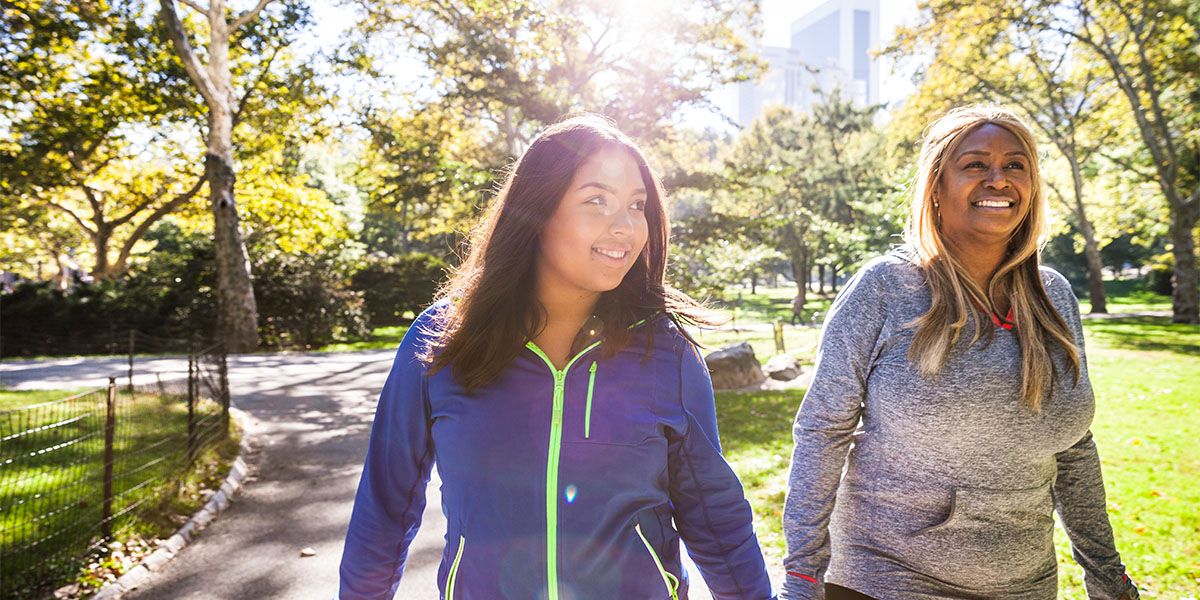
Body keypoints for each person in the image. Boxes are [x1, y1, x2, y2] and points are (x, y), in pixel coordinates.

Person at [338, 114, 775, 600]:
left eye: (637, 205)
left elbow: (715, 514)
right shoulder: (441, 341)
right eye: (596, 200)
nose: (627, 226)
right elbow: (384, 508)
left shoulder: (666, 351)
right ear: (537, 211)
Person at [780, 106, 1139, 600]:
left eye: (1016, 165)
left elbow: (1074, 448)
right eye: (975, 165)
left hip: (1024, 582)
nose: (998, 180)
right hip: (886, 577)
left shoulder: (1053, 296)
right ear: (936, 186)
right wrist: (801, 577)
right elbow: (823, 431)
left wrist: (1107, 575)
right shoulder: (886, 289)